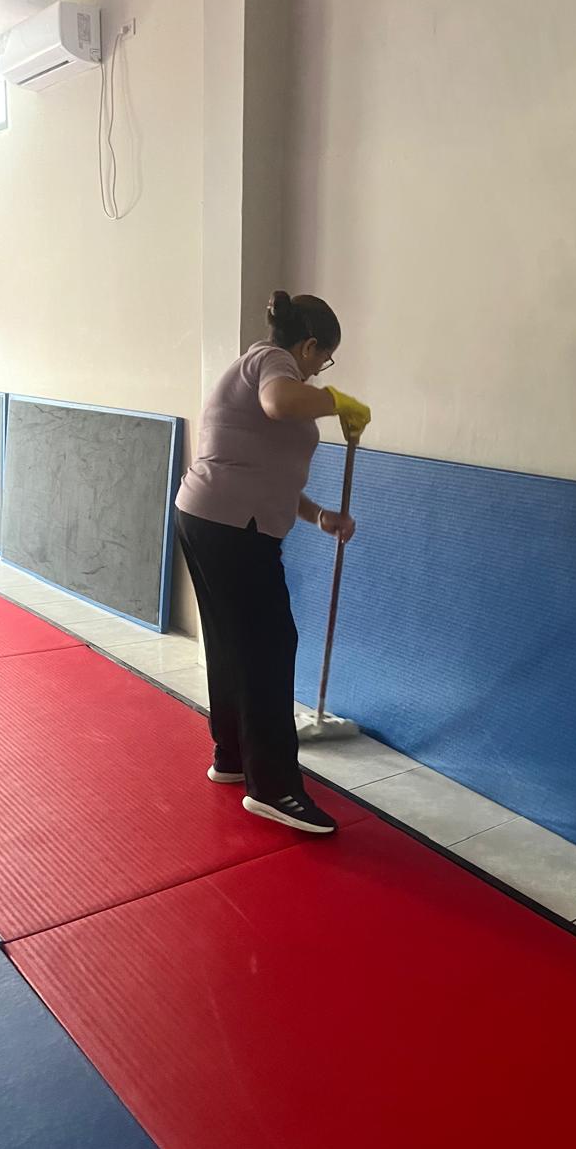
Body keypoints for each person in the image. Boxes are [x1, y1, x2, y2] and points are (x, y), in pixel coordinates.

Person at [174, 290, 371, 834]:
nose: (318, 371)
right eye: (323, 360)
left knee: (233, 644)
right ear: (308, 346)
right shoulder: (272, 361)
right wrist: (338, 401)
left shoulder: (257, 366)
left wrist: (319, 515)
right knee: (269, 647)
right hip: (232, 529)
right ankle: (274, 788)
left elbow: (264, 470)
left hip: (213, 518)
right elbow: (280, 403)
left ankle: (233, 756)